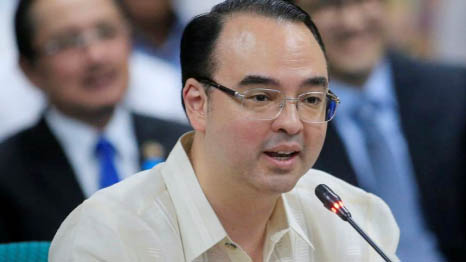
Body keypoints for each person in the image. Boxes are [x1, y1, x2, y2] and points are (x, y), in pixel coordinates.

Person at [49, 1, 400, 261]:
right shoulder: (106, 239)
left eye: (311, 98)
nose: (291, 123)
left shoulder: (355, 219)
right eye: (262, 97)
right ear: (197, 104)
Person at [0, 0, 190, 243]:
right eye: (67, 42)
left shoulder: (186, 146)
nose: (95, 56)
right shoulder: (8, 174)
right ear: (29, 69)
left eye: (106, 33)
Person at [295, 0, 466, 261]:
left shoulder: (455, 94)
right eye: (325, 6)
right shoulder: (289, 126)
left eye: (363, 1)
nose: (351, 23)